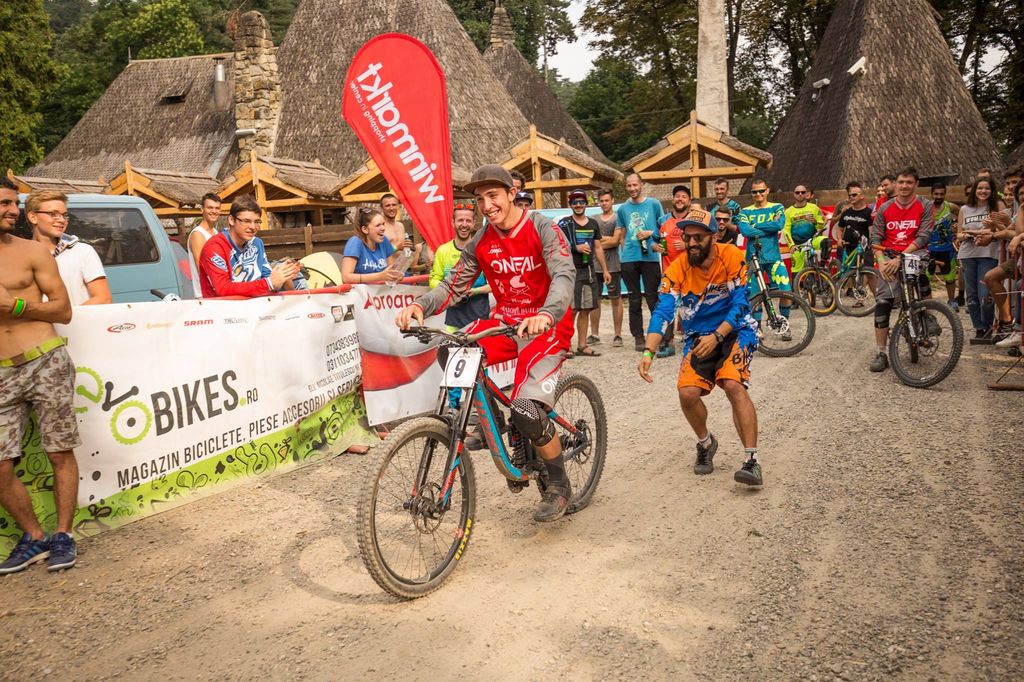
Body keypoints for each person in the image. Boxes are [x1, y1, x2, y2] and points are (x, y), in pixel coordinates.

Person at [395, 164, 576, 522]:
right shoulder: (482, 240)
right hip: (506, 322)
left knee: (527, 409)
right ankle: (490, 421)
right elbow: (452, 285)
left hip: (546, 326)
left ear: (512, 193)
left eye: (493, 196)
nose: (487, 206)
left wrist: (547, 313)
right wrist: (420, 305)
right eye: (480, 199)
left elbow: (563, 274)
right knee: (452, 348)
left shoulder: (543, 228)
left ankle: (558, 485)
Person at [637, 206, 762, 486]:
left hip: (736, 331)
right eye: (687, 237)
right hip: (697, 335)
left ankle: (751, 461)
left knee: (732, 384)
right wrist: (649, 351)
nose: (691, 243)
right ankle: (706, 444)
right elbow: (663, 311)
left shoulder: (732, 256)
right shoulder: (677, 267)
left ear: (714, 237)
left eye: (698, 237)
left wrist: (718, 336)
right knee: (687, 393)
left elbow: (742, 304)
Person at [0, 176, 80, 573]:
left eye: (14, 203)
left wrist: (15, 306)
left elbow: (63, 310)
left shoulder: (31, 251)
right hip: (1, 374)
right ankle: (33, 536)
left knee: (59, 451)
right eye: (4, 203)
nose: (12, 211)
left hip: (44, 360)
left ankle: (63, 535)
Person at [869, 167, 934, 372]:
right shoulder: (885, 208)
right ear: (896, 184)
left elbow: (924, 236)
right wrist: (881, 261)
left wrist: (901, 257)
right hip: (888, 256)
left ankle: (928, 315)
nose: (904, 186)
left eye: (909, 182)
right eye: (901, 182)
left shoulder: (925, 205)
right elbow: (876, 237)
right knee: (883, 301)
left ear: (916, 184)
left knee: (920, 275)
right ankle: (881, 352)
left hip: (914, 252)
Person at [655, 185, 718, 357]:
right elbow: (654, 240)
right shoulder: (662, 221)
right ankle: (667, 343)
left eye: (684, 196)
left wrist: (686, 244)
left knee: (694, 306)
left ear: (689, 201)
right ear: (672, 199)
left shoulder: (694, 220)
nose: (680, 199)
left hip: (692, 270)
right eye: (677, 196)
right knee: (668, 306)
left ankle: (698, 340)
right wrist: (655, 247)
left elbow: (705, 242)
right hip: (669, 271)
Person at [199, 194, 302, 297]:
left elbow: (268, 280)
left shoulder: (257, 243)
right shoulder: (215, 247)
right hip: (221, 306)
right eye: (246, 221)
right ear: (231, 220)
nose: (253, 227)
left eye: (257, 222)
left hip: (256, 305)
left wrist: (283, 274)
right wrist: (269, 283)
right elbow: (222, 289)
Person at [26, 190, 111, 306]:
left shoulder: (83, 251)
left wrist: (68, 315)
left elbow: (103, 298)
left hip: (76, 318)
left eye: (64, 215)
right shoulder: (20, 255)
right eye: (53, 214)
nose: (62, 220)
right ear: (33, 217)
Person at [558, 190, 610, 357]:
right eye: (575, 202)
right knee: (571, 310)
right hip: (570, 270)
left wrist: (605, 270)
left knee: (586, 308)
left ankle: (582, 345)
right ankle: (566, 345)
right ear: (570, 205)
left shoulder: (593, 223)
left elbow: (598, 248)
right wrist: (576, 248)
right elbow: (558, 245)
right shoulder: (565, 223)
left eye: (581, 202)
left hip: (588, 270)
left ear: (586, 204)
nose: (578, 205)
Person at [616, 173, 664, 351]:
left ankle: (657, 334)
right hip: (629, 258)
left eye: (635, 185)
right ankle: (638, 336)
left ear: (641, 185)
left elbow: (663, 227)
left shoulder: (654, 204)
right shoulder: (622, 209)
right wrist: (625, 250)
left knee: (653, 298)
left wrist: (650, 233)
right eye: (629, 186)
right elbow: (622, 233)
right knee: (634, 299)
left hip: (650, 257)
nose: (632, 189)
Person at [956, 176, 1007, 341]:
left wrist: (992, 227)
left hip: (988, 254)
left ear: (992, 191)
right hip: (968, 254)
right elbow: (958, 234)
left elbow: (1005, 229)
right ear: (974, 190)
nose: (983, 191)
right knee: (971, 295)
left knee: (985, 294)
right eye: (980, 188)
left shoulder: (997, 206)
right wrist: (967, 235)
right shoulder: (965, 209)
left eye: (987, 188)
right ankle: (978, 328)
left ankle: (988, 327)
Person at [429, 202, 490, 331]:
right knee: (453, 344)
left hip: (480, 316)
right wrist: (452, 291)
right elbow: (434, 279)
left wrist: (474, 291)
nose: (464, 224)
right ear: (453, 223)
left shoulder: (483, 249)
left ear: (474, 223)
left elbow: (495, 285)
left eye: (468, 221)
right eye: (460, 220)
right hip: (454, 318)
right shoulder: (443, 251)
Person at [738, 179, 790, 316]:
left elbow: (779, 225)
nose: (758, 194)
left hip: (774, 258)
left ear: (767, 191)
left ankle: (784, 323)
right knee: (754, 297)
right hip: (753, 260)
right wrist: (770, 227)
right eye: (754, 192)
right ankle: (758, 325)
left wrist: (755, 225)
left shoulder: (777, 207)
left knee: (786, 293)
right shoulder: (745, 211)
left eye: (761, 191)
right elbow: (746, 231)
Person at [987, 178, 1024, 348]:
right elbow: (1012, 231)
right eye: (1020, 194)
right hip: (1018, 258)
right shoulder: (1019, 209)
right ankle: (1008, 323)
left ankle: (1017, 329)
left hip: (1017, 255)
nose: (1022, 196)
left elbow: (1014, 233)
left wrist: (1016, 236)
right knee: (991, 277)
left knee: (1020, 286)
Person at [590, 189, 624, 347]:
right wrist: (603, 241)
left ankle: (617, 335)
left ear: (612, 201)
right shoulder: (593, 219)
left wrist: (598, 241)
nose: (604, 203)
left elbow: (615, 241)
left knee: (615, 299)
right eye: (602, 201)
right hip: (595, 264)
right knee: (595, 300)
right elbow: (591, 242)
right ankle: (594, 334)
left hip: (613, 265)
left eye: (607, 200)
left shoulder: (618, 218)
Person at [341, 208, 403, 285]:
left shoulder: (384, 241)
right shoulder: (355, 242)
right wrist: (379, 276)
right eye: (378, 225)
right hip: (359, 291)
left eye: (383, 224)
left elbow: (391, 270)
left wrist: (396, 276)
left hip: (381, 290)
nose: (383, 228)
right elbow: (346, 277)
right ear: (365, 229)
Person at [927, 182, 959, 310]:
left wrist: (957, 225)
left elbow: (961, 215)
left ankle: (951, 301)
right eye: (936, 194)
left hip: (946, 248)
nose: (939, 196)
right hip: (929, 248)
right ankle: (928, 303)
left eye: (942, 194)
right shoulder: (926, 207)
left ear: (945, 194)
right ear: (932, 194)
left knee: (949, 277)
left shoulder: (951, 207)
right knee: (926, 277)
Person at [783, 183, 826, 272]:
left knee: (827, 241)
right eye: (797, 192)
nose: (800, 194)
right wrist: (791, 245)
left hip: (812, 241)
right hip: (798, 244)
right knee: (796, 273)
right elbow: (786, 231)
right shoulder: (788, 212)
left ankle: (822, 266)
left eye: (803, 192)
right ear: (794, 194)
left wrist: (815, 222)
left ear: (806, 194)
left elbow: (821, 225)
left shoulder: (814, 208)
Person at [834, 181, 875, 270]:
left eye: (854, 195)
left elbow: (871, 232)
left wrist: (871, 245)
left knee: (868, 271)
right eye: (850, 195)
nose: (851, 197)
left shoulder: (869, 213)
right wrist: (839, 239)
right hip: (846, 247)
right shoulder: (846, 212)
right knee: (844, 272)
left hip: (863, 248)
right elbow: (840, 229)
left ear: (862, 196)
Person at [188, 193, 222, 298]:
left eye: (217, 208)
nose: (214, 211)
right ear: (202, 209)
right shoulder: (198, 235)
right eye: (210, 208)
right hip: (204, 296)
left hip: (217, 293)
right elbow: (202, 269)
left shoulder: (215, 232)